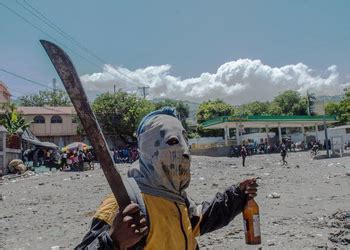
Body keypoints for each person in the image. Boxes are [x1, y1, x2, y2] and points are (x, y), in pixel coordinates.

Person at [75, 107, 258, 249]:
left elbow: (200, 221)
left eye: (185, 141)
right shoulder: (123, 203)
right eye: (172, 142)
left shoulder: (177, 199)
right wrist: (112, 241)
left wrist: (237, 195)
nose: (184, 151)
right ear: (149, 149)